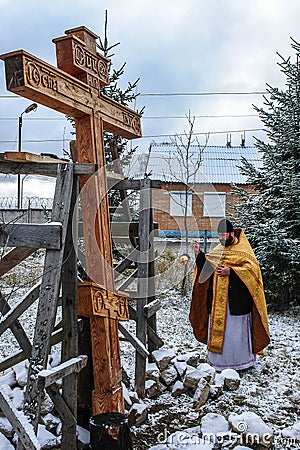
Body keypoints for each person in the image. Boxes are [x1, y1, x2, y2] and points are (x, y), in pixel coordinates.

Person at [189, 219, 270, 372]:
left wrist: (231, 272)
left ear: (231, 233)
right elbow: (208, 269)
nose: (220, 238)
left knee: (236, 333)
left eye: (223, 234)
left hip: (237, 303)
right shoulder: (219, 249)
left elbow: (252, 273)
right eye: (219, 235)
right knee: (222, 332)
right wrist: (199, 254)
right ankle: (218, 363)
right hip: (218, 303)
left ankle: (241, 363)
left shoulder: (244, 250)